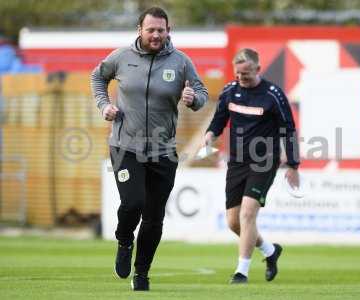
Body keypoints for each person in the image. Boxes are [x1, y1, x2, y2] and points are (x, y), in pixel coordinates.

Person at [91, 7, 208, 291]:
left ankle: (141, 274)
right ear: (139, 30)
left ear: (168, 31)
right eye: (151, 29)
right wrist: (104, 105)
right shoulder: (121, 57)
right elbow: (98, 77)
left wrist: (193, 99)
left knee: (154, 217)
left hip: (163, 151)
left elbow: (202, 94)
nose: (156, 35)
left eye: (161, 30)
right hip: (124, 146)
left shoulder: (181, 62)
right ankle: (123, 240)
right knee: (133, 204)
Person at [204, 48, 300, 284]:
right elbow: (219, 119)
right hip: (237, 162)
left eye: (246, 74)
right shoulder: (229, 90)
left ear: (258, 69)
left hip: (264, 161)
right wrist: (210, 135)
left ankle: (241, 272)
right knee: (233, 222)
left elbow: (288, 129)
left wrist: (293, 164)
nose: (241, 78)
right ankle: (269, 251)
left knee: (248, 213)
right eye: (238, 74)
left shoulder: (273, 94)